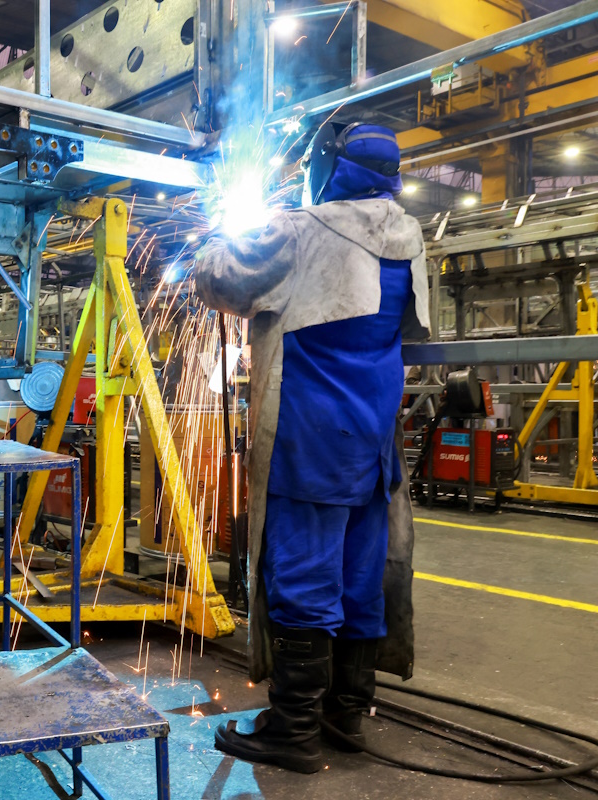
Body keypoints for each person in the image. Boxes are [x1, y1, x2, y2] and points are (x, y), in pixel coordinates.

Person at [189, 122, 430, 773]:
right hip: (374, 440)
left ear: (331, 166)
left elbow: (216, 280)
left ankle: (292, 727)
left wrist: (224, 233)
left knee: (303, 576)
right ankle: (345, 715)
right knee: (359, 577)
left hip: (310, 437)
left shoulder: (299, 228)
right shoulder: (410, 237)